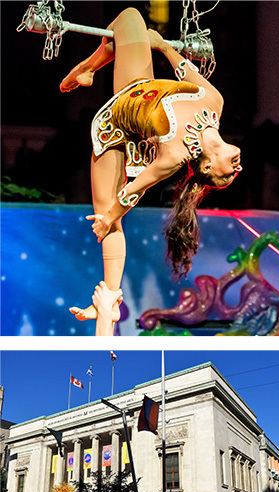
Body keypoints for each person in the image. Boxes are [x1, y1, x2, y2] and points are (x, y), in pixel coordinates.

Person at [61, 8, 242, 335]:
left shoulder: (176, 154)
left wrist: (109, 215)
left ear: (206, 166)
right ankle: (87, 69)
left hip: (112, 128)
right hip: (137, 84)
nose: (237, 168)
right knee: (129, 18)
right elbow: (186, 71)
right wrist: (162, 45)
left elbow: (133, 189)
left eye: (227, 176)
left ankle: (110, 302)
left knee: (110, 223)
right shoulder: (215, 102)